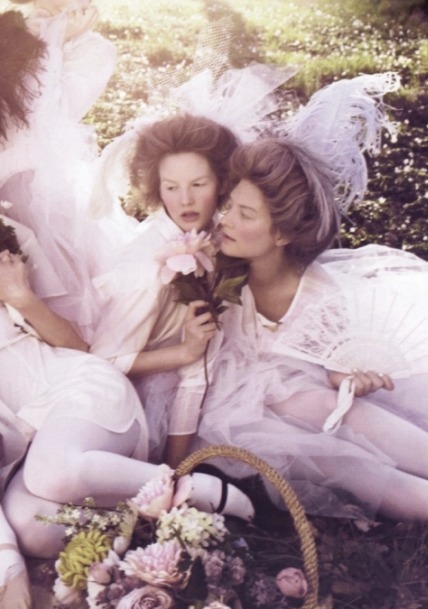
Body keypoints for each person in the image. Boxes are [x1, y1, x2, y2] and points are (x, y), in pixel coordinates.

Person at [191, 80, 428, 534]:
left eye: (246, 214)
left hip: (301, 393)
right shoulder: (209, 266)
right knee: (335, 458)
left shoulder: (321, 293)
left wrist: (344, 378)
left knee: (340, 411)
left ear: (282, 235)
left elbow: (329, 366)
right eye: (229, 206)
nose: (226, 221)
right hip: (229, 400)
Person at [0, 216, 257, 579]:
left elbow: (79, 347)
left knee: (51, 471)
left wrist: (21, 298)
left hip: (81, 392)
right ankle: (158, 525)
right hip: (34, 440)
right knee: (33, 529)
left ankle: (189, 488)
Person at [88, 113, 239, 466]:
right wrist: (184, 353)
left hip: (212, 367)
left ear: (221, 183)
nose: (185, 200)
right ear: (157, 189)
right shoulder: (146, 266)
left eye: (198, 184)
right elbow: (103, 361)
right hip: (143, 388)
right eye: (171, 187)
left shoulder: (221, 236)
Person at [0, 1, 117, 341]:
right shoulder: (9, 27)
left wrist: (54, 42)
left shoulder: (93, 49)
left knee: (54, 286)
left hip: (36, 187)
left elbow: (43, 120)